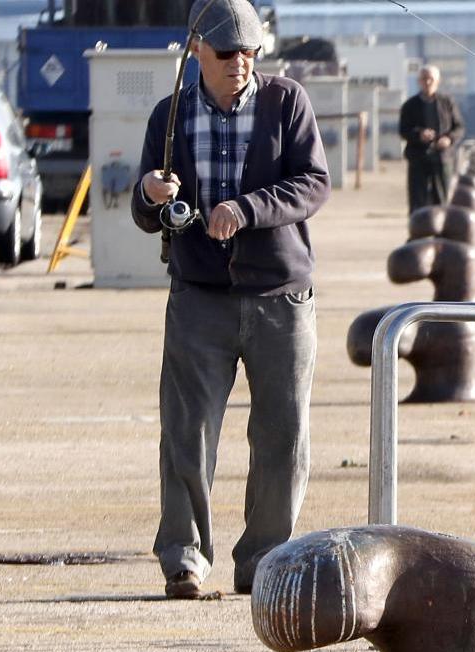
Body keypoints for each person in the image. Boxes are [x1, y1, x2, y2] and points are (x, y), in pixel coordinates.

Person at [130, 0, 330, 600]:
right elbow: (146, 214)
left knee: (282, 435)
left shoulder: (287, 101)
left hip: (280, 297)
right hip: (198, 298)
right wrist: (148, 191)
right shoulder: (169, 114)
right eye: (226, 53)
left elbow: (313, 182)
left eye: (249, 52)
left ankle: (264, 561)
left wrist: (246, 209)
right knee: (186, 432)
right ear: (196, 52)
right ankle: (184, 560)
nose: (239, 64)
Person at [399, 65, 465, 213]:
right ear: (419, 81)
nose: (427, 82)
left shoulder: (447, 102)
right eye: (424, 79)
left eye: (431, 79)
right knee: (417, 200)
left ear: (437, 81)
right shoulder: (410, 105)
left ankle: (442, 227)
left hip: (442, 157)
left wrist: (448, 139)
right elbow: (403, 130)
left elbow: (459, 127)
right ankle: (418, 228)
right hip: (418, 157)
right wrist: (419, 134)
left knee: (442, 198)